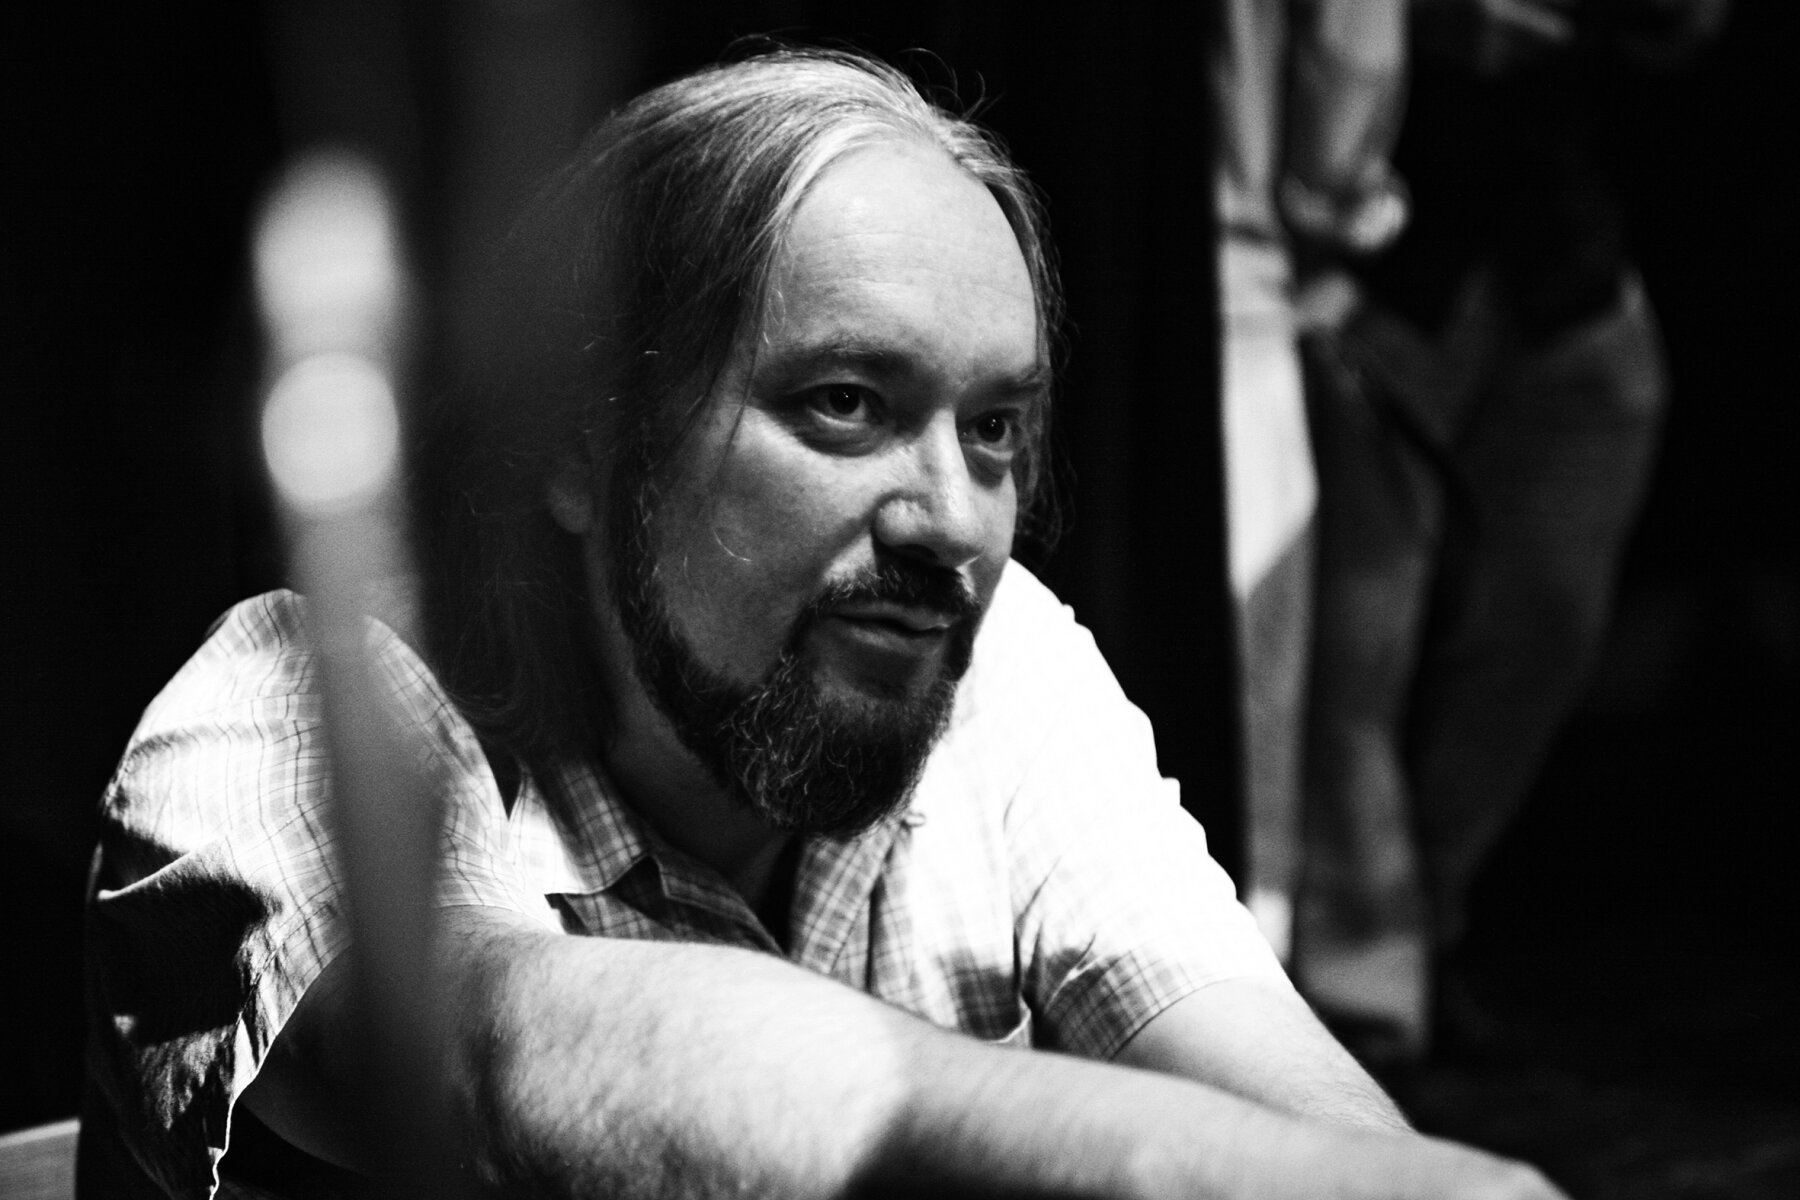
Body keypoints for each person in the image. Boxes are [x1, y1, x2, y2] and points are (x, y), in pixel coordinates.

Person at [81, 48, 1567, 1200]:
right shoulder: (297, 706)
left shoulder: (1000, 663)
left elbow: (1276, 1089)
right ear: (582, 446)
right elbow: (504, 1060)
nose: (954, 523)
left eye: (993, 429)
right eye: (845, 404)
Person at [1294, 0, 1730, 1061]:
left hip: (1564, 263)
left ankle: (1429, 922)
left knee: (1546, 620)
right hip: (1378, 268)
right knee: (1357, 650)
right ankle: (1366, 995)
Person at [1211, 0, 1410, 962]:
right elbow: (1351, 57)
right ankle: (1246, 989)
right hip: (1234, 290)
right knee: (1246, 728)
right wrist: (1348, 205)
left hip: (1026, 266)